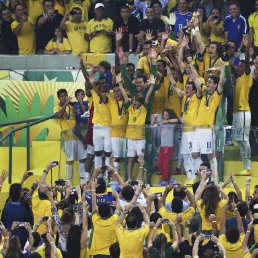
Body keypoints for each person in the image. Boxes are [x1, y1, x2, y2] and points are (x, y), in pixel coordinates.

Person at [118, 72, 156, 181]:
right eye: (133, 100)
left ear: (140, 102)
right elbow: (125, 95)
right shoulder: (130, 108)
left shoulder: (143, 109)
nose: (133, 102)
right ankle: (129, 178)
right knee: (130, 159)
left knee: (141, 159)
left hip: (141, 139)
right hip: (130, 138)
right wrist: (120, 84)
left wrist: (152, 85)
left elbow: (148, 97)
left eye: (136, 101)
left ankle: (141, 179)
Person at [54, 88, 87, 182]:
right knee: (69, 160)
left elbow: (81, 116)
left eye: (65, 96)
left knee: (82, 158)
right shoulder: (57, 108)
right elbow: (59, 115)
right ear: (59, 98)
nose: (64, 98)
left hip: (78, 136)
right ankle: (68, 182)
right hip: (67, 137)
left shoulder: (73, 106)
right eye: (61, 96)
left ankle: (82, 182)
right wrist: (65, 104)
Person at [231, 37, 253, 176]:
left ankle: (248, 168)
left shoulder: (247, 77)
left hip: (244, 112)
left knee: (244, 139)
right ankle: (246, 167)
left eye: (241, 67)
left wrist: (244, 49)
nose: (239, 67)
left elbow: (245, 64)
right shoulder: (238, 79)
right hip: (237, 113)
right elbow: (232, 67)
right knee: (239, 140)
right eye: (238, 66)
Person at [85, 75, 112, 179]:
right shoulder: (93, 94)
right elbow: (87, 86)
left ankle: (107, 176)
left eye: (104, 83)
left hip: (109, 127)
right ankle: (97, 176)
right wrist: (83, 65)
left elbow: (103, 98)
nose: (102, 85)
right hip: (96, 127)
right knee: (97, 153)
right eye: (99, 83)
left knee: (108, 154)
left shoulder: (111, 94)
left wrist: (93, 84)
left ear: (108, 84)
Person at [89, 178, 121, 256]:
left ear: (98, 213)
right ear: (110, 211)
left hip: (97, 254)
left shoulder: (96, 220)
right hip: (110, 254)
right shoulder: (114, 219)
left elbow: (93, 204)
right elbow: (118, 208)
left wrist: (93, 189)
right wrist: (117, 197)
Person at [1, 183, 34, 249]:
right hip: (22, 243)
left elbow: (3, 221)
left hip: (8, 241)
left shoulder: (7, 206)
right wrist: (29, 204)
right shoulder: (25, 209)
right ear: (20, 194)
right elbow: (31, 223)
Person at [152, 109, 179, 186]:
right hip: (163, 147)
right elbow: (152, 123)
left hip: (168, 146)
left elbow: (176, 120)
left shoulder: (171, 124)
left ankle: (164, 181)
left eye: (166, 115)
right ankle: (170, 178)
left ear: (170, 116)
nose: (164, 116)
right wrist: (154, 118)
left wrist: (166, 121)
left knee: (165, 165)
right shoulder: (162, 123)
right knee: (159, 165)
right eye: (163, 115)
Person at [108, 80, 129, 174]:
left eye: (119, 90)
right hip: (115, 134)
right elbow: (107, 93)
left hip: (126, 134)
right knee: (115, 157)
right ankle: (116, 177)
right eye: (115, 91)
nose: (117, 93)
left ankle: (123, 177)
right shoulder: (111, 101)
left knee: (123, 157)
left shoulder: (129, 102)